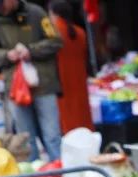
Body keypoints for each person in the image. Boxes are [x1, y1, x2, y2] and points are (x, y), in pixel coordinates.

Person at [0, 0, 64, 162]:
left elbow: (55, 41)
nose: (0, 9)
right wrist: (6, 55)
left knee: (52, 136)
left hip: (43, 85)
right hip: (15, 88)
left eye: (1, 4)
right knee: (25, 138)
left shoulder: (36, 13)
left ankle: (61, 174)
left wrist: (31, 51)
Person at [48, 0, 93, 134]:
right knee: (83, 118)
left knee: (67, 123)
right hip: (79, 82)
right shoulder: (80, 32)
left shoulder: (53, 34)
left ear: (54, 14)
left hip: (62, 83)